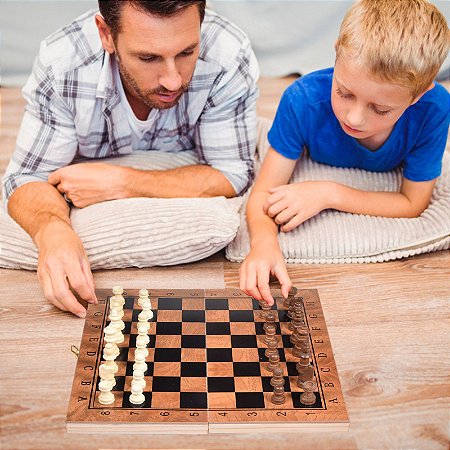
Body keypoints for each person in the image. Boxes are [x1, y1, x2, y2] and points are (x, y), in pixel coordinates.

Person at [2, 0, 259, 317]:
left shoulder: (228, 53)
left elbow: (233, 172)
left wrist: (122, 182)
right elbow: (27, 178)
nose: (172, 80)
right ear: (106, 34)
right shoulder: (63, 63)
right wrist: (52, 232)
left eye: (186, 52)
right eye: (148, 57)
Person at [240, 0, 450, 305]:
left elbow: (413, 202)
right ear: (337, 52)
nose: (354, 118)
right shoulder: (302, 100)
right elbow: (263, 192)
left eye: (380, 108)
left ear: (419, 94)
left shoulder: (435, 109)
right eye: (344, 92)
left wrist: (329, 194)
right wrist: (262, 243)